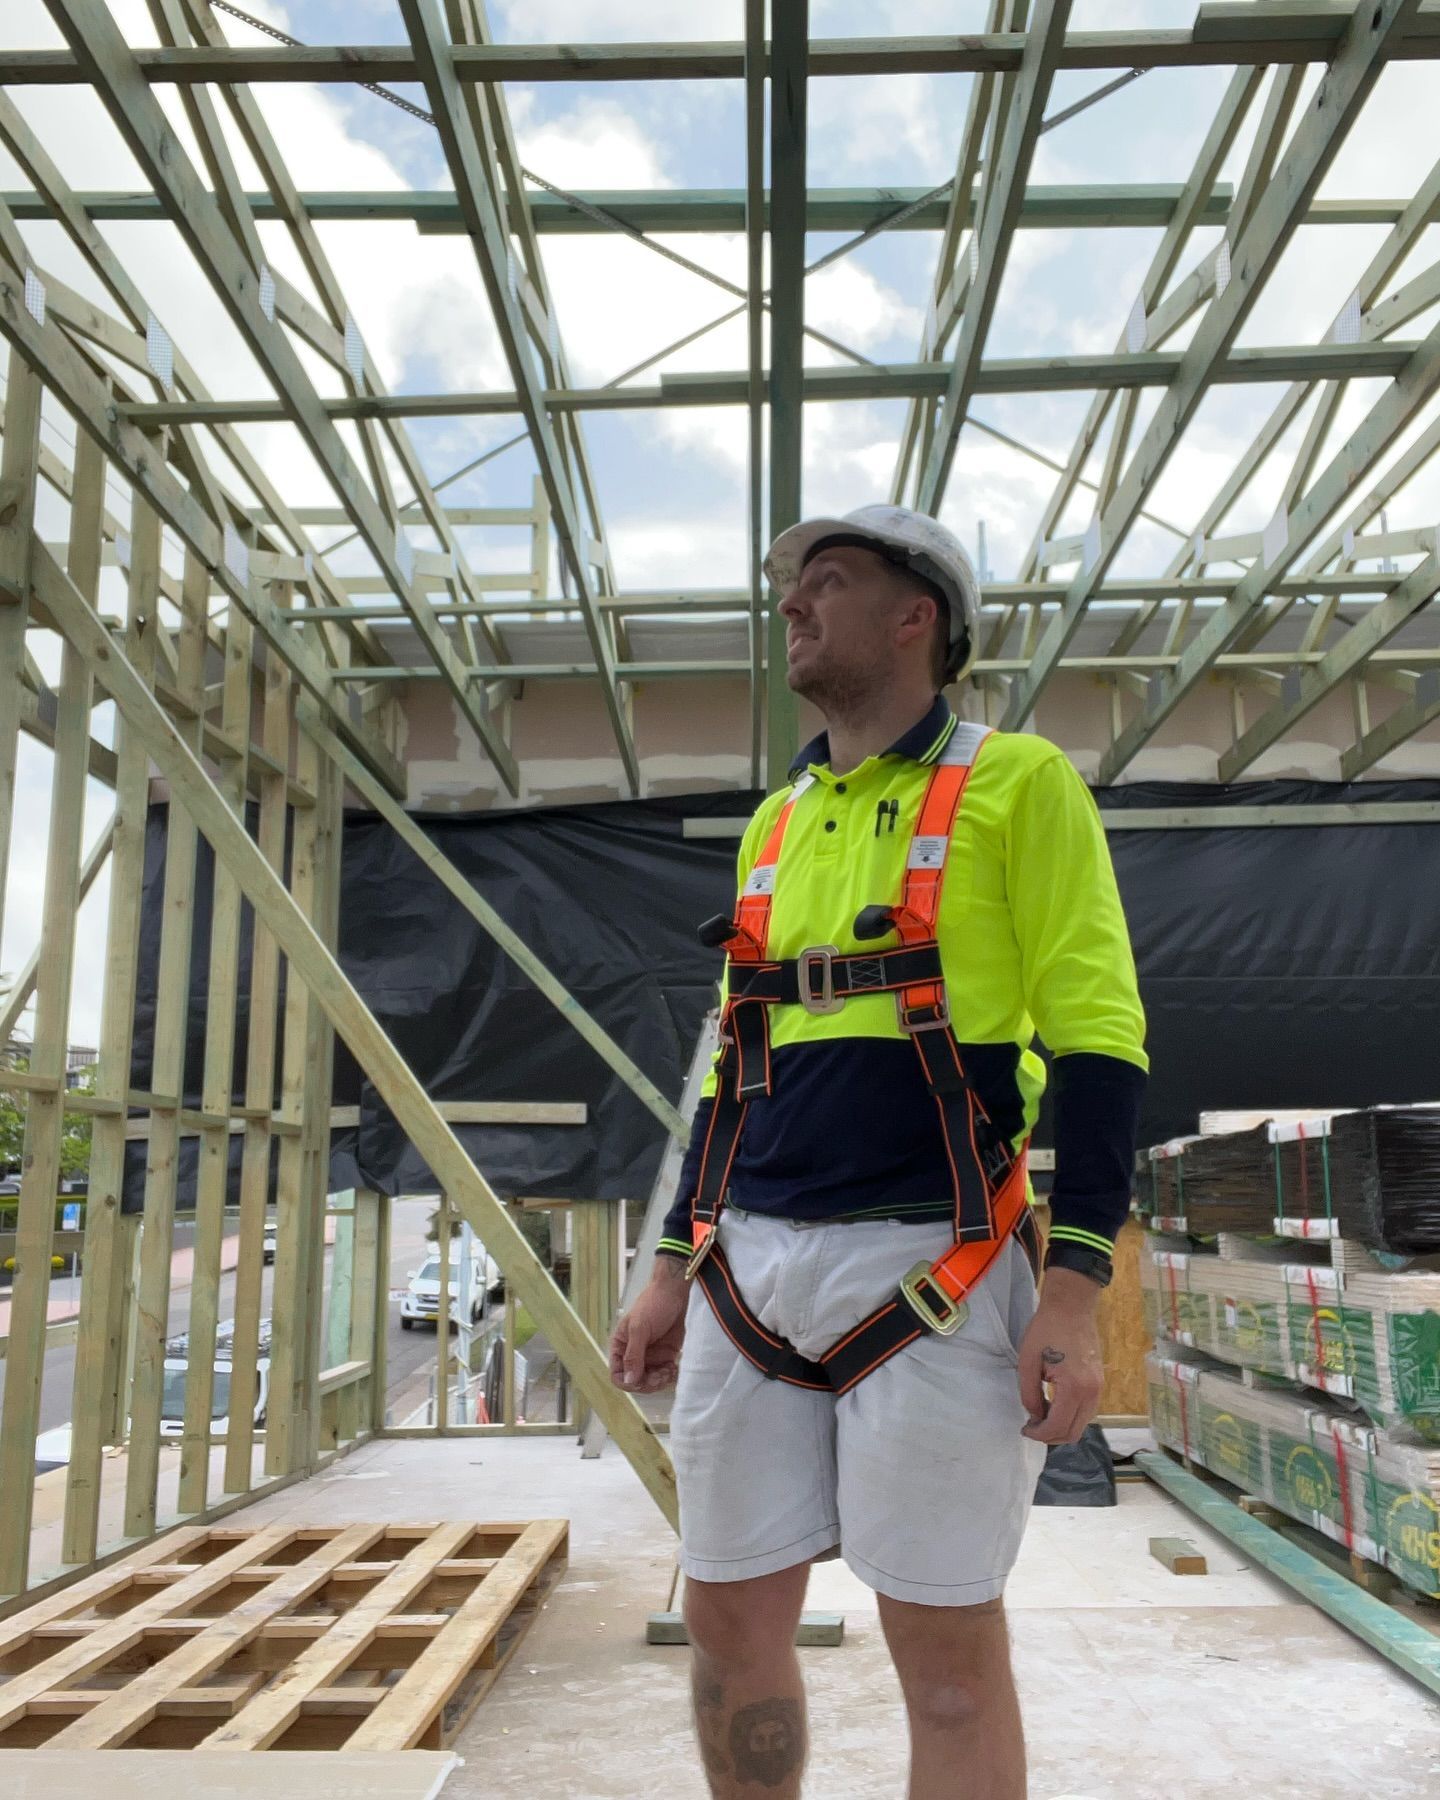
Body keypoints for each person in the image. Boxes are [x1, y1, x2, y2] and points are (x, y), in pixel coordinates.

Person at [610, 505, 1147, 1800]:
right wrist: (671, 1265)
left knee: (948, 1657)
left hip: (937, 1269)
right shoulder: (775, 826)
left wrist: (1072, 1292)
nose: (792, 605)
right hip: (752, 1273)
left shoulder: (1018, 786)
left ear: (921, 616)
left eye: (828, 582)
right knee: (732, 1624)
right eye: (792, 586)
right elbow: (731, 1068)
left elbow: (1100, 1039)